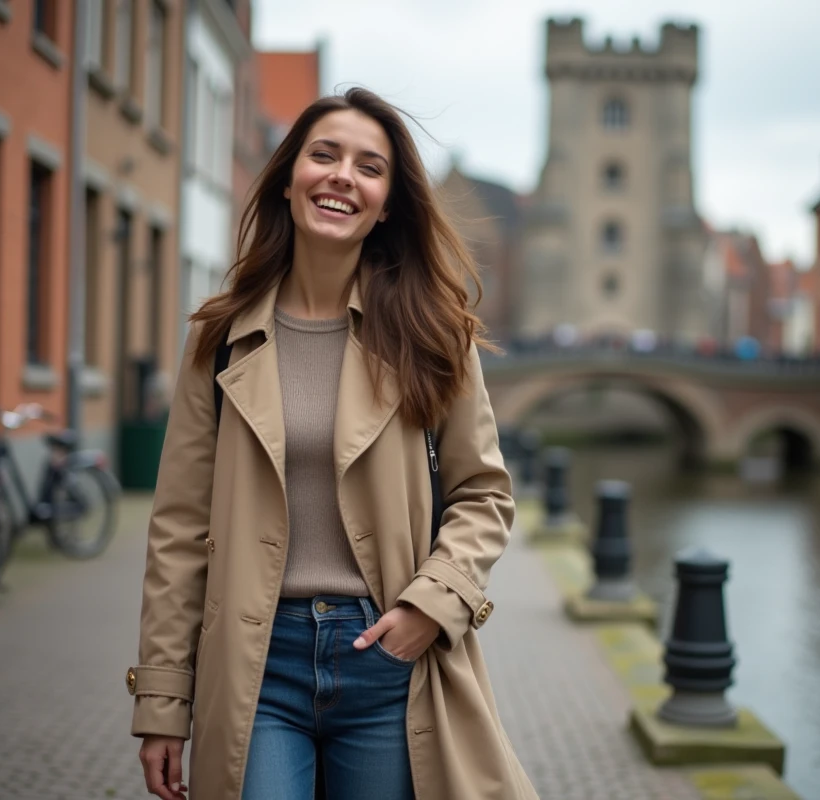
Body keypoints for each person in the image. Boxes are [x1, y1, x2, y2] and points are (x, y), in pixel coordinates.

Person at [127, 87, 539, 800]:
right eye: (324, 155)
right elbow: (179, 529)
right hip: (255, 664)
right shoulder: (219, 339)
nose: (343, 176)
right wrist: (162, 702)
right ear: (289, 181)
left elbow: (484, 494)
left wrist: (430, 606)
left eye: (369, 167)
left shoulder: (435, 335)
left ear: (387, 206)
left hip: (387, 658)